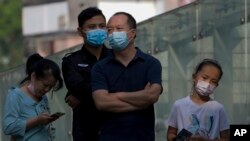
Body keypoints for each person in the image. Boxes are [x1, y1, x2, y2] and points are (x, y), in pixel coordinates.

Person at [91, 12, 162, 141]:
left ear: (132, 33)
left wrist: (117, 95)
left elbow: (152, 95)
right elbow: (102, 102)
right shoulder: (99, 68)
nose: (113, 34)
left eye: (119, 29)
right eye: (110, 30)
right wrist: (142, 102)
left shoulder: (151, 64)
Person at [61, 7, 109, 141]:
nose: (98, 30)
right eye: (92, 27)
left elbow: (125, 83)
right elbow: (80, 89)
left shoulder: (116, 57)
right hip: (86, 132)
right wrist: (109, 86)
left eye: (102, 26)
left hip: (115, 128)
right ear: (80, 31)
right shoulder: (71, 61)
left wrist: (82, 95)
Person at [3, 53, 64, 141]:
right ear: (33, 76)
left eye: (50, 87)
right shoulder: (15, 96)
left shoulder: (43, 97)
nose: (47, 90)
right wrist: (37, 121)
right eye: (45, 85)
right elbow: (8, 127)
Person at [166, 59, 230, 141]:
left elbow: (226, 138)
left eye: (213, 81)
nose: (207, 84)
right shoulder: (179, 105)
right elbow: (171, 133)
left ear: (216, 85)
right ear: (194, 77)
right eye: (204, 78)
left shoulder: (218, 108)